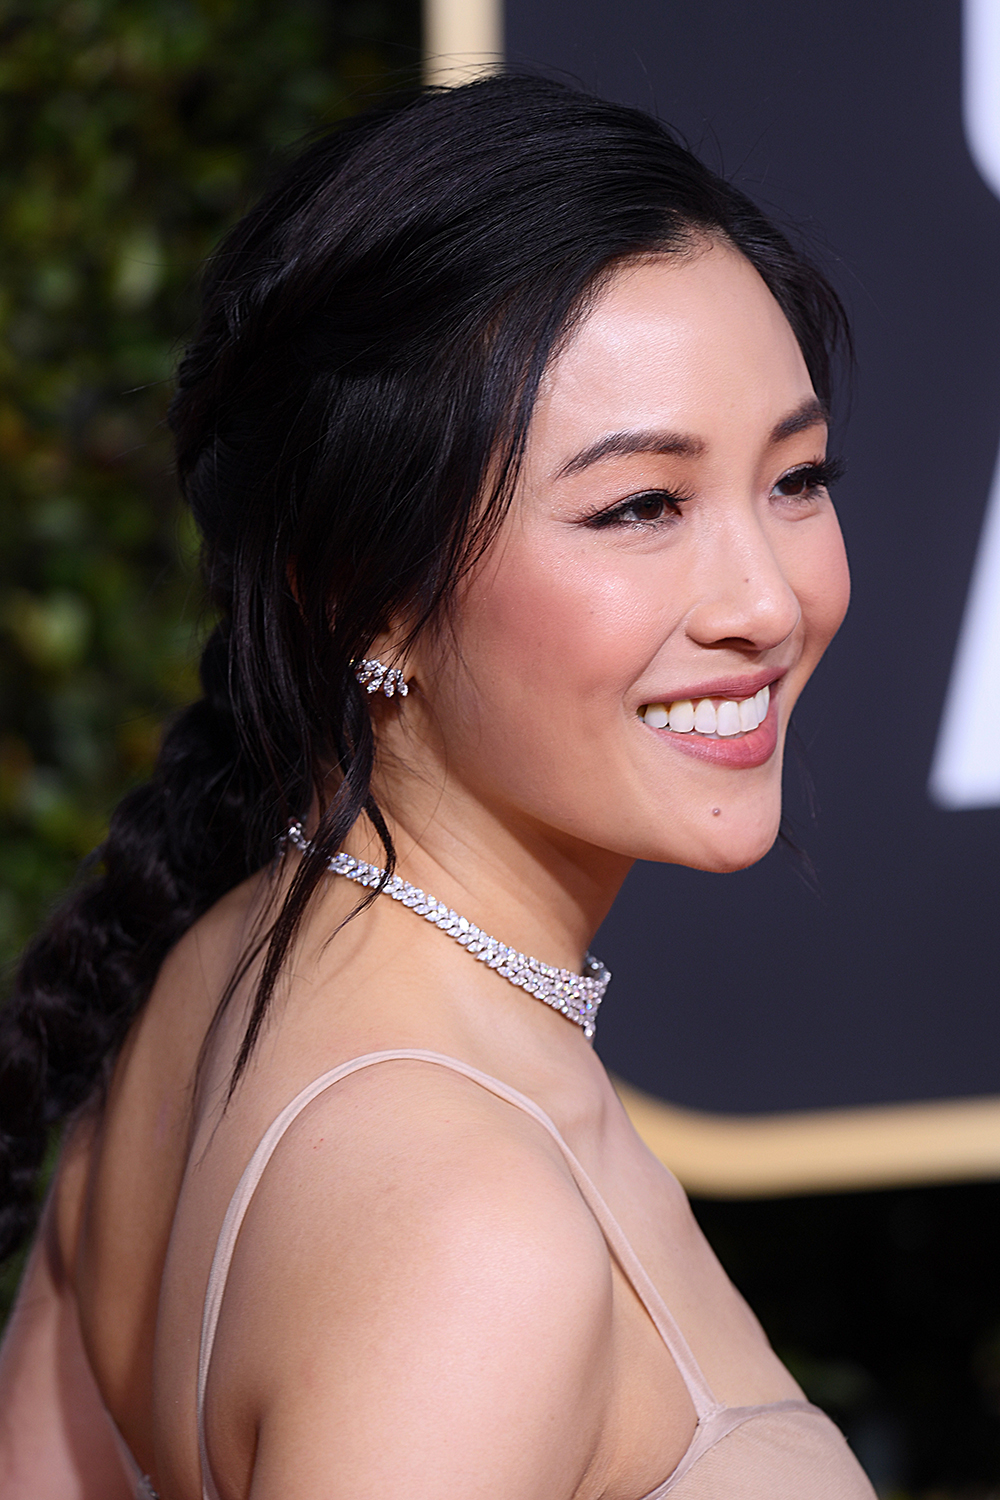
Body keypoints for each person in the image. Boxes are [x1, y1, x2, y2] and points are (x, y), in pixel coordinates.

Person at [0, 74, 873, 1499]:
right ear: (365, 594)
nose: (766, 601)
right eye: (640, 506)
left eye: (797, 475)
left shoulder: (204, 982)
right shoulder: (470, 1232)